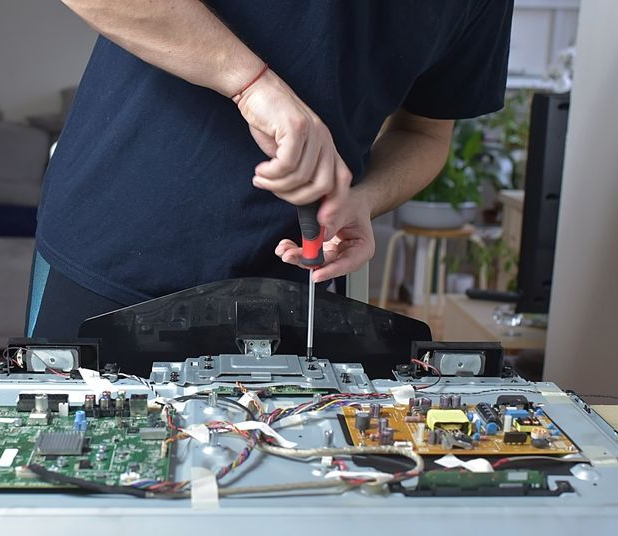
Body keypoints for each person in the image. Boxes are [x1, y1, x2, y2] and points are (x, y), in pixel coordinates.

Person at [27, 0, 514, 338]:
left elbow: (424, 134)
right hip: (107, 249)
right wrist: (250, 85)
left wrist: (365, 199)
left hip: (293, 289)